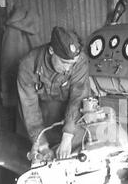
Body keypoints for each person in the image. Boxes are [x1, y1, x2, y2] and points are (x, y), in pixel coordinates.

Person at [17, 26, 90, 160]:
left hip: (68, 114)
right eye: (64, 62)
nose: (68, 69)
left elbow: (78, 98)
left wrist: (67, 136)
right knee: (37, 157)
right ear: (51, 51)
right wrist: (42, 145)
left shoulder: (80, 61)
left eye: (72, 64)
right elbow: (29, 107)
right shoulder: (28, 65)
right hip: (40, 116)